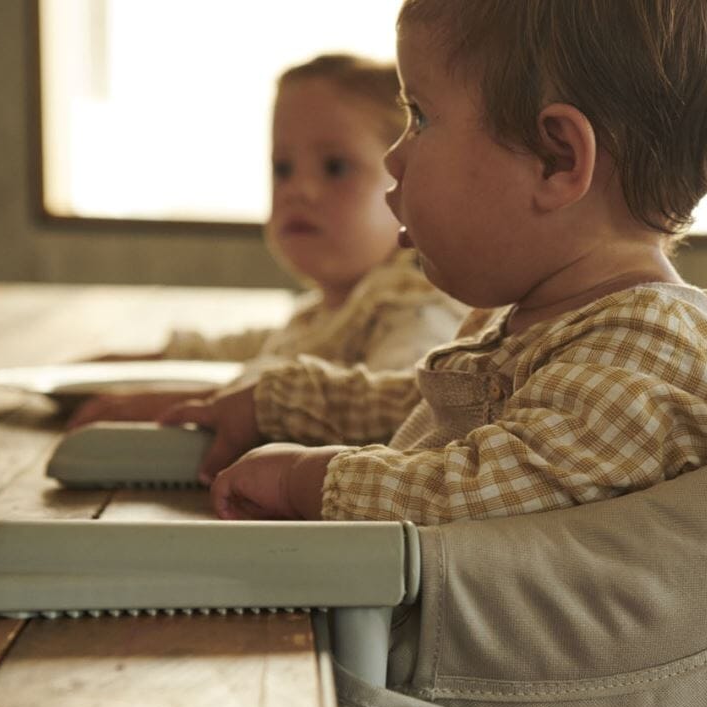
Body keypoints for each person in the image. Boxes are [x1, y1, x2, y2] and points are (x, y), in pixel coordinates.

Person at [162, 0, 707, 525]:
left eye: (420, 117)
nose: (395, 159)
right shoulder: (555, 323)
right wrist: (277, 402)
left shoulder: (648, 353)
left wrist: (310, 480)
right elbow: (427, 411)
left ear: (556, 159)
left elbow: (478, 494)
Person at [68, 53, 467, 428]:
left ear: (409, 179)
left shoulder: (412, 309)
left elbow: (401, 403)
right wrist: (147, 361)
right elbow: (262, 348)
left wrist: (179, 404)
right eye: (282, 168)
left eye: (335, 167)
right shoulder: (331, 312)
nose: (299, 189)